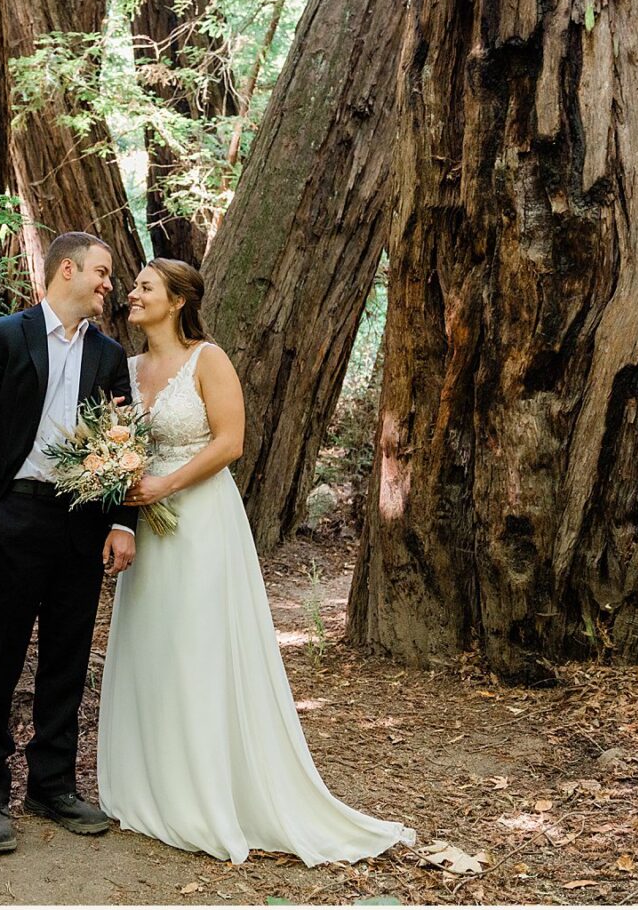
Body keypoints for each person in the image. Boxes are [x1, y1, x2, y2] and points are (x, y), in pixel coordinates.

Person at [97, 257, 415, 865]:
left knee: (200, 645)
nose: (131, 295)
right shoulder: (127, 367)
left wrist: (164, 487)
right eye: (133, 286)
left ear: (178, 300)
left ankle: (210, 792)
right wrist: (125, 489)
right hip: (149, 527)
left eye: (144, 287)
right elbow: (119, 444)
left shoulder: (208, 360)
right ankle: (152, 785)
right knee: (154, 645)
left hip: (202, 521)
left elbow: (230, 442)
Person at [0, 231, 139, 854]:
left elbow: (123, 442)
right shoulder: (3, 336)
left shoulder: (109, 356)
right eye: (103, 273)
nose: (110, 284)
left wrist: (120, 521)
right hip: (16, 518)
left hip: (80, 523)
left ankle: (52, 784)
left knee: (67, 658)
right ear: (66, 271)